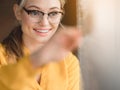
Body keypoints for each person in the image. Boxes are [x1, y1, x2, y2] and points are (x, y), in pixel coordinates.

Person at [0, 0, 83, 90]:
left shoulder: (69, 62)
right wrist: (38, 59)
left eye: (53, 13)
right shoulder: (1, 57)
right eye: (35, 12)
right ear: (18, 12)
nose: (44, 23)